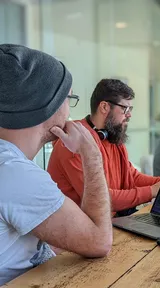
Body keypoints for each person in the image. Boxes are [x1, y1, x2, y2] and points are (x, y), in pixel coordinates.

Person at [0, 44, 113, 285]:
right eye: (68, 98)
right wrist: (91, 155)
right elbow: (100, 241)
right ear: (44, 105)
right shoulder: (14, 172)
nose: (69, 111)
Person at [47, 79, 160, 216]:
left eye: (130, 109)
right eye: (125, 108)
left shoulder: (111, 137)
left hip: (108, 223)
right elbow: (101, 198)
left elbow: (132, 176)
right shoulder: (74, 143)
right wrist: (152, 191)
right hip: (78, 229)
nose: (129, 114)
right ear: (104, 107)